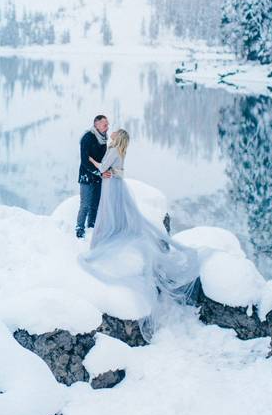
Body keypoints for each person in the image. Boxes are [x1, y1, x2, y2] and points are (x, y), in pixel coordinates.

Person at [82, 128, 200, 339]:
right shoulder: (120, 151)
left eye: (115, 133)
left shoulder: (112, 150)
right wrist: (111, 172)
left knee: (106, 214)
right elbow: (116, 170)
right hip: (117, 184)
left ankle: (102, 238)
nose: (112, 134)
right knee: (114, 213)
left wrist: (91, 160)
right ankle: (112, 232)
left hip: (111, 186)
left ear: (118, 138)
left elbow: (102, 169)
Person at [76, 115, 110, 238]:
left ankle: (92, 227)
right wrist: (98, 172)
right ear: (96, 124)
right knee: (85, 204)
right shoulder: (87, 138)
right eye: (104, 124)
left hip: (98, 177)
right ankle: (79, 229)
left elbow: (103, 159)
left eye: (107, 124)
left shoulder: (103, 139)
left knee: (95, 204)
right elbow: (85, 161)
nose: (107, 127)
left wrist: (106, 170)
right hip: (86, 176)